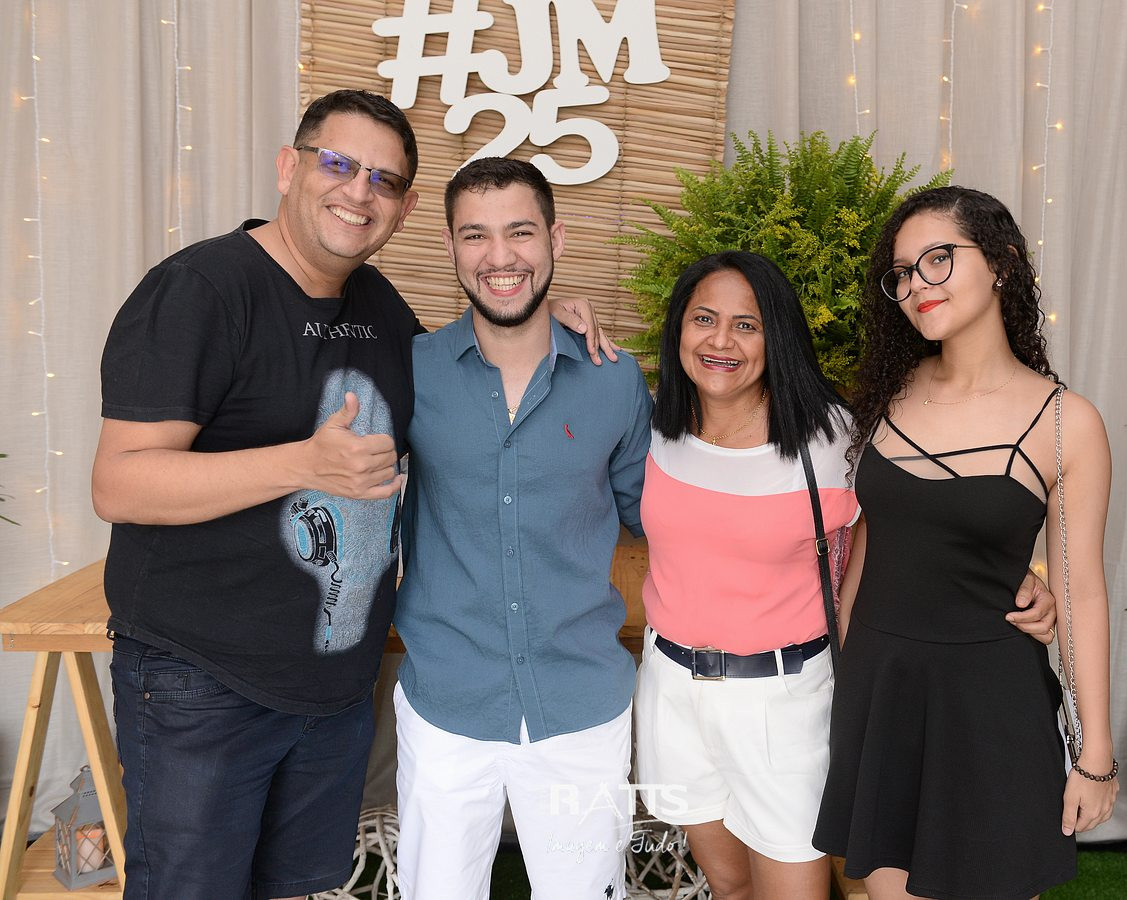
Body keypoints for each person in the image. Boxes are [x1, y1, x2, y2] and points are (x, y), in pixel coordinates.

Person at [92, 91, 608, 900]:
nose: (358, 191)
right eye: (338, 164)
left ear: (404, 209)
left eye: (384, 180)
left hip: (332, 690)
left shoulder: (377, 306)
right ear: (288, 168)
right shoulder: (201, 289)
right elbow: (119, 482)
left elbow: (466, 372)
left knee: (294, 889)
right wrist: (302, 464)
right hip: (204, 684)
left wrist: (543, 318)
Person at [633, 250, 1060, 900]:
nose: (720, 341)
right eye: (704, 319)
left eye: (746, 325)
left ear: (777, 337)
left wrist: (1013, 574)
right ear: (678, 329)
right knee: (728, 885)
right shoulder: (654, 425)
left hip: (779, 701)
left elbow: (920, 515)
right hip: (670, 689)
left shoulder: (831, 439)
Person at [813, 186, 1118, 899]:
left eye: (938, 259)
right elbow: (872, 539)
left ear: (1002, 263)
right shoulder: (883, 394)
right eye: (902, 272)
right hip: (881, 694)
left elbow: (1081, 593)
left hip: (992, 704)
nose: (917, 284)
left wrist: (1095, 754)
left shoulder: (1065, 423)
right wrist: (846, 682)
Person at [391, 157, 652, 899]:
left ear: (555, 240)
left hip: (580, 704)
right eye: (476, 235)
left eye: (520, 233)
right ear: (449, 246)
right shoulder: (409, 369)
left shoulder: (613, 377)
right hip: (446, 699)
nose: (499, 256)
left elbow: (655, 517)